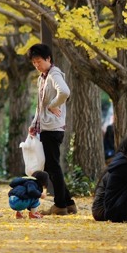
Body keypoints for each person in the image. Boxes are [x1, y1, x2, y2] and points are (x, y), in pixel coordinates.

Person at [26, 43, 76, 215]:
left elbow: (64, 91)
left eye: (39, 61)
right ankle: (68, 203)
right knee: (52, 166)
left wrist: (54, 105)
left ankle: (61, 204)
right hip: (45, 127)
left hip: (53, 129)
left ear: (48, 59)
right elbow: (40, 106)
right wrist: (34, 124)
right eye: (34, 62)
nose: (37, 65)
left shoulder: (54, 74)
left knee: (52, 166)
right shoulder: (42, 77)